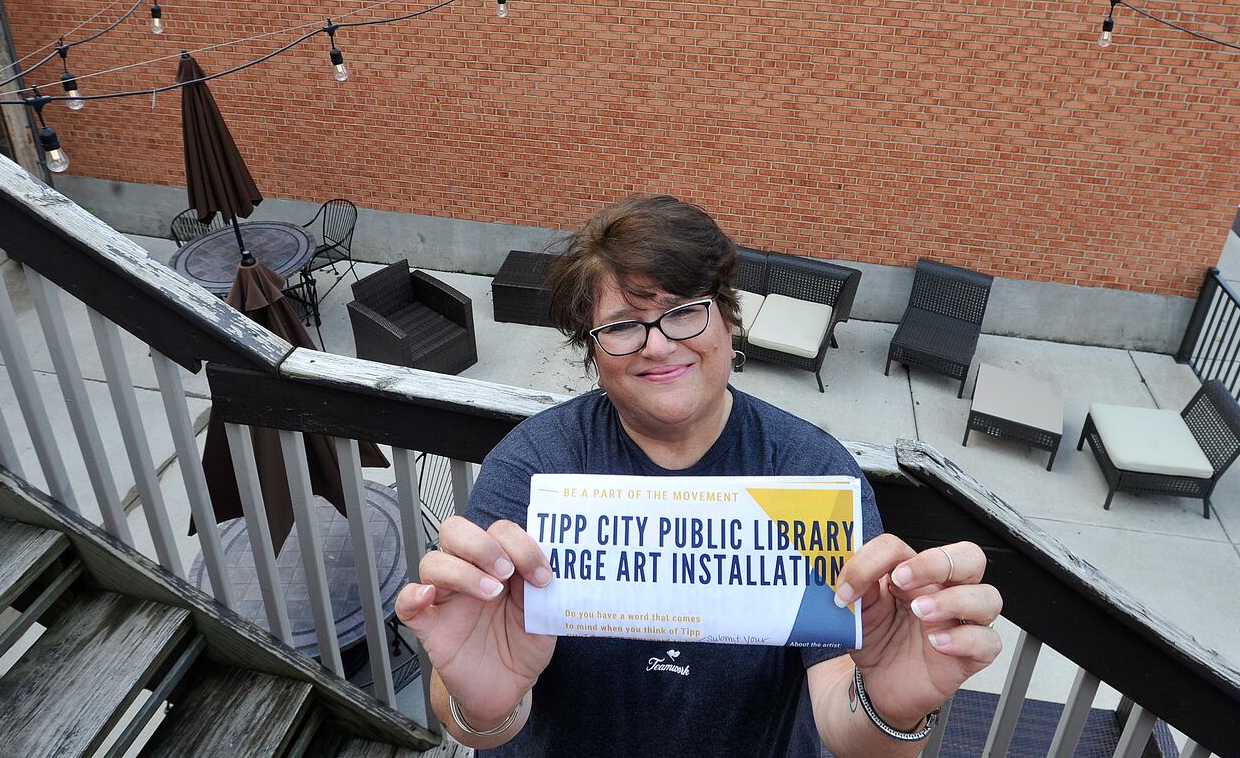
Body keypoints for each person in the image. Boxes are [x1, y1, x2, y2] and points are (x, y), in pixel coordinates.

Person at [396, 196, 1002, 755]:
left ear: (729, 321)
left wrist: (889, 706)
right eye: (623, 324)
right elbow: (468, 705)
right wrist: (478, 703)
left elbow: (846, 718)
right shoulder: (533, 468)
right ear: (593, 351)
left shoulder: (809, 474)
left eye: (684, 311)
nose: (657, 346)